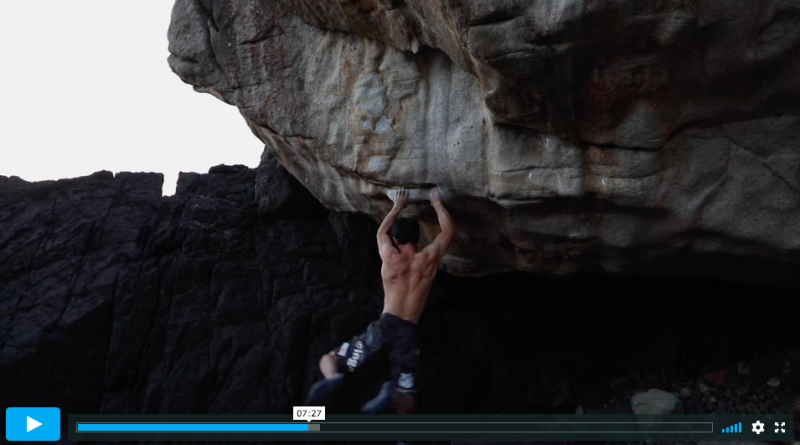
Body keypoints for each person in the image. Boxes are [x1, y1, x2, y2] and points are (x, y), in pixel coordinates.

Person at [306, 187, 455, 413]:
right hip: (408, 334)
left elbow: (380, 234)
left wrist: (397, 206)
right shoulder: (428, 258)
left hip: (384, 327)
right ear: (418, 238)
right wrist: (436, 202)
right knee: (407, 393)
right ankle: (393, 409)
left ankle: (335, 377)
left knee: (331, 358)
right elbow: (448, 231)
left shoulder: (390, 257)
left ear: (396, 239)